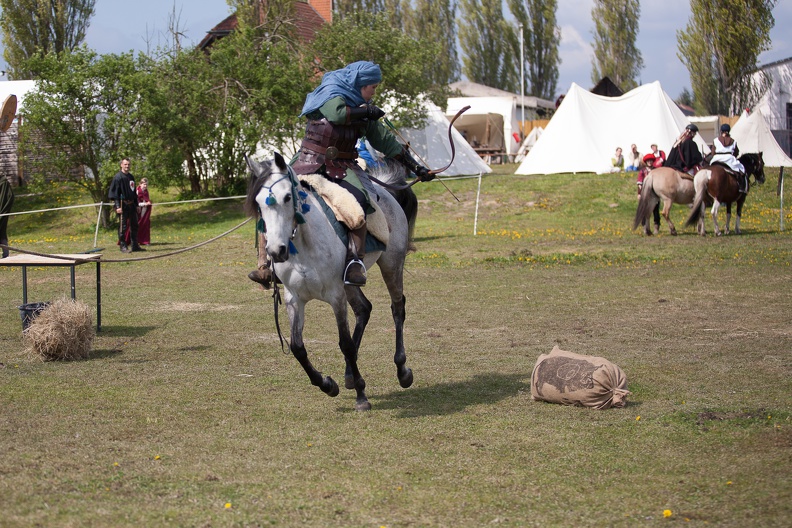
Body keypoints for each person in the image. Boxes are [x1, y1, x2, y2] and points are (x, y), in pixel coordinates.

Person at [248, 61, 432, 288]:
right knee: (273, 197)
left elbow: (385, 141)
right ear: (360, 84)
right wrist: (366, 111)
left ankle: (354, 262)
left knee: (362, 200)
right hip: (308, 161)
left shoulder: (365, 109)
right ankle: (265, 265)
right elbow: (335, 114)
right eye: (372, 87)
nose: (374, 92)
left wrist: (416, 167)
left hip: (342, 166)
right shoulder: (331, 91)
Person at [108, 158, 145, 253]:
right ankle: (123, 246)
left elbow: (133, 192)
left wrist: (136, 205)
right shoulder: (118, 177)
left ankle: (135, 245)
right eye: (125, 164)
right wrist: (117, 207)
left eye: (128, 164)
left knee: (134, 225)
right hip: (122, 204)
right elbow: (115, 194)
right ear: (121, 165)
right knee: (122, 226)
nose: (127, 166)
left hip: (131, 204)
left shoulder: (131, 177)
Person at [710, 123, 747, 193]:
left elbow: (713, 153)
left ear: (721, 131)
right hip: (729, 159)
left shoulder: (715, 140)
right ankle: (742, 186)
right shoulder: (733, 141)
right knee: (742, 169)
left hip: (716, 158)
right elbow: (736, 152)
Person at [0, 174, 14, 258]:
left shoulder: (3, 182)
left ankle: (6, 255)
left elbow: (9, 197)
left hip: (2, 211)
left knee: (1, 230)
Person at [136, 178, 152, 245]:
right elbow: (136, 202)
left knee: (145, 225)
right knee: (137, 225)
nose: (145, 186)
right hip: (138, 210)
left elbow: (146, 199)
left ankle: (145, 241)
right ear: (140, 184)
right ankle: (136, 240)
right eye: (144, 184)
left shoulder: (146, 191)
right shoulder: (137, 191)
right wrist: (145, 204)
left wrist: (148, 203)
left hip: (144, 210)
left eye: (146, 184)